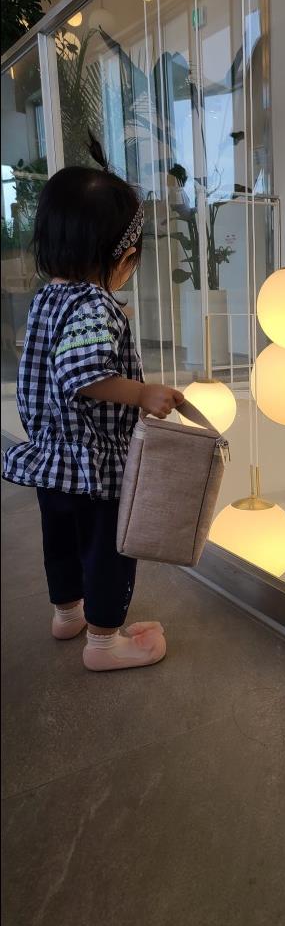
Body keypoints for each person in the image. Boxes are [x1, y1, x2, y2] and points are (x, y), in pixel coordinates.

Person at [2, 137, 184, 671]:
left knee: (59, 540)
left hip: (52, 458)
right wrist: (143, 393)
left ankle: (68, 614)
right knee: (108, 548)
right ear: (123, 256)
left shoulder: (47, 297)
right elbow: (82, 373)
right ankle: (105, 643)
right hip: (93, 462)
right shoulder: (94, 303)